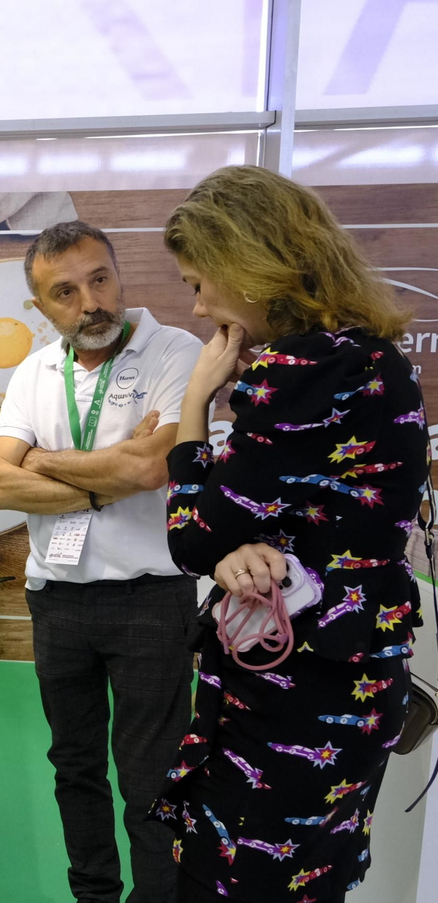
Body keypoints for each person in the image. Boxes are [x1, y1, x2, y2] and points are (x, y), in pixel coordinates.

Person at [153, 166, 425, 903]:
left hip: (293, 690)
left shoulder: (299, 367)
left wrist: (195, 399)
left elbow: (192, 537)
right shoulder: (377, 356)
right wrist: (240, 543)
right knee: (312, 881)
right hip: (359, 673)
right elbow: (302, 510)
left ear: (247, 264)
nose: (199, 305)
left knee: (235, 883)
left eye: (199, 283)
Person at [0, 221, 204, 903]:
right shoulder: (33, 371)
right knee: (74, 769)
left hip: (152, 598)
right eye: (66, 292)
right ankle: (94, 897)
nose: (91, 302)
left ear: (117, 273)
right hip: (56, 599)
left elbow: (151, 468)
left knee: (151, 778)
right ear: (41, 306)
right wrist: (104, 475)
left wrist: (40, 458)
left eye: (99, 278)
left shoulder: (176, 349)